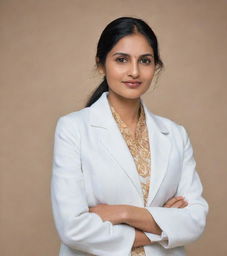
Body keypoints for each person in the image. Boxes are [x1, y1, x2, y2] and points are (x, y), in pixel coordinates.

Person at [51, 17, 209, 256]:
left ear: (155, 66)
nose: (134, 71)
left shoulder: (176, 134)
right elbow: (73, 228)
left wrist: (123, 213)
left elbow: (195, 220)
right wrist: (165, 225)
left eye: (145, 61)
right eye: (121, 60)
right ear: (101, 65)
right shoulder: (73, 128)